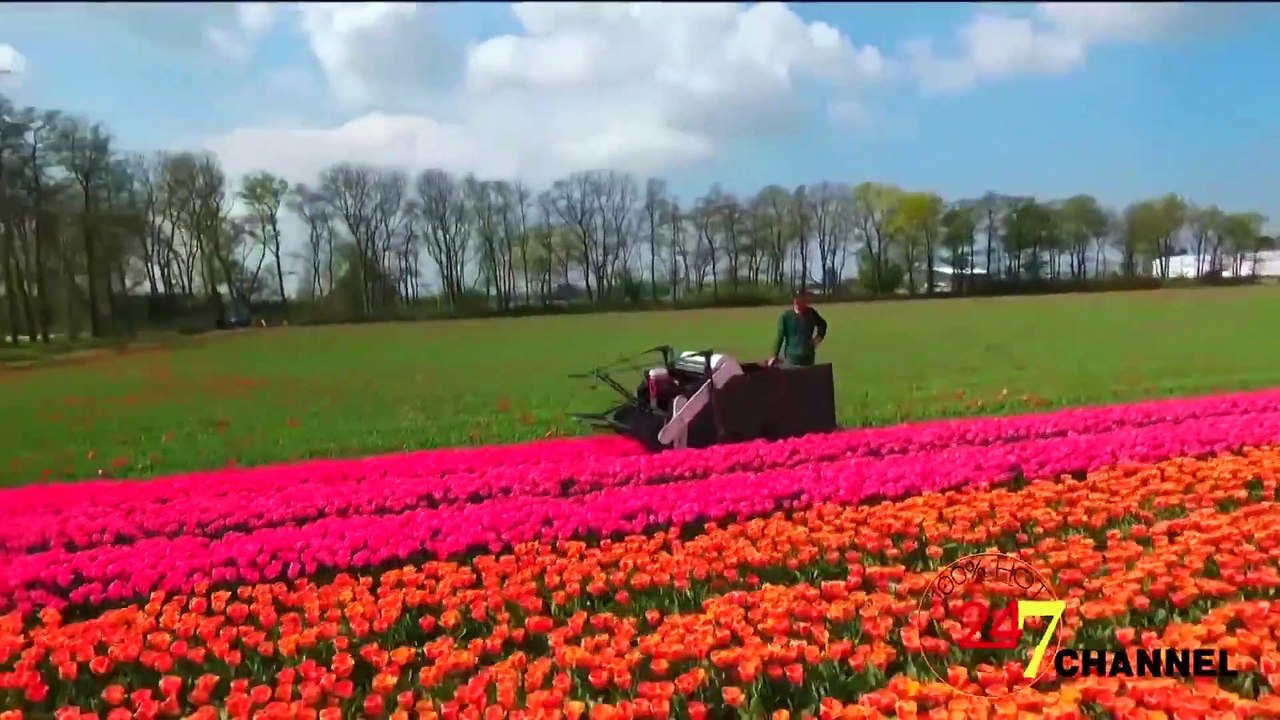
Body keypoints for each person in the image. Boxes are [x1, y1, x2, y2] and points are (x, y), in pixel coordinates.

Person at [768, 289, 828, 368]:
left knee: (807, 379)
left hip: (808, 358)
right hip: (792, 358)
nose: (799, 302)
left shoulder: (811, 313)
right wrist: (774, 355)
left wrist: (818, 339)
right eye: (797, 299)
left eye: (802, 299)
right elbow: (780, 337)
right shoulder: (786, 316)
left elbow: (823, 324)